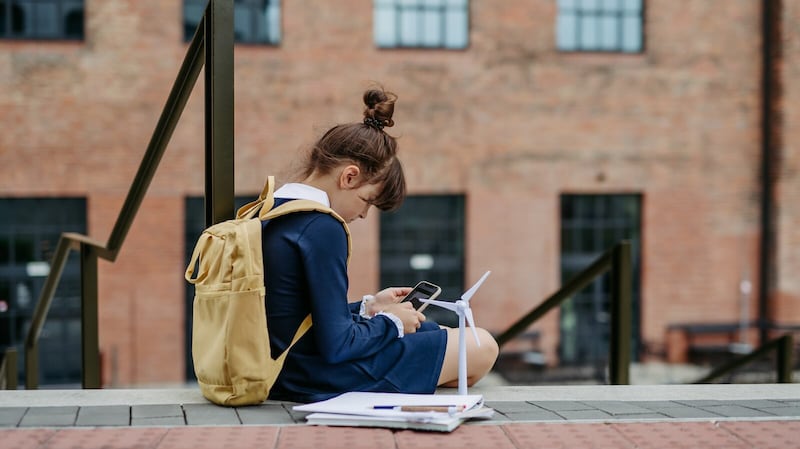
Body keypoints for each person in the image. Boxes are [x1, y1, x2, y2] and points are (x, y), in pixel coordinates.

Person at [263, 86, 498, 403]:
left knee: (433, 334)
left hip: (281, 366)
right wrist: (391, 322)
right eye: (367, 201)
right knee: (481, 345)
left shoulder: (273, 208)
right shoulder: (322, 226)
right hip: (314, 375)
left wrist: (369, 308)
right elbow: (338, 346)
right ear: (349, 177)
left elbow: (292, 315)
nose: (362, 214)